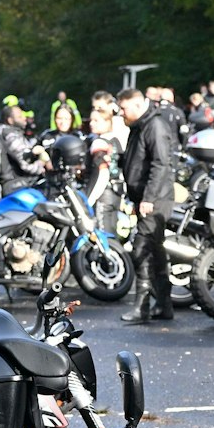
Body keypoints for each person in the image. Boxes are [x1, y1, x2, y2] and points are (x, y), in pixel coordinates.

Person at [118, 88, 180, 324]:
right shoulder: (139, 126)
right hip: (145, 198)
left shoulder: (154, 125)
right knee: (156, 251)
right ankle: (165, 306)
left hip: (156, 199)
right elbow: (136, 161)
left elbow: (161, 164)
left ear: (136, 105)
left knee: (141, 250)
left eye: (123, 108)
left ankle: (142, 307)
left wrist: (149, 198)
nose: (121, 113)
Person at [86, 107, 125, 235]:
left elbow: (102, 174)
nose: (92, 123)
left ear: (108, 122)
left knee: (102, 238)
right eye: (91, 120)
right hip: (116, 194)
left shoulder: (99, 143)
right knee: (111, 233)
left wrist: (88, 201)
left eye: (96, 120)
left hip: (102, 195)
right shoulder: (116, 141)